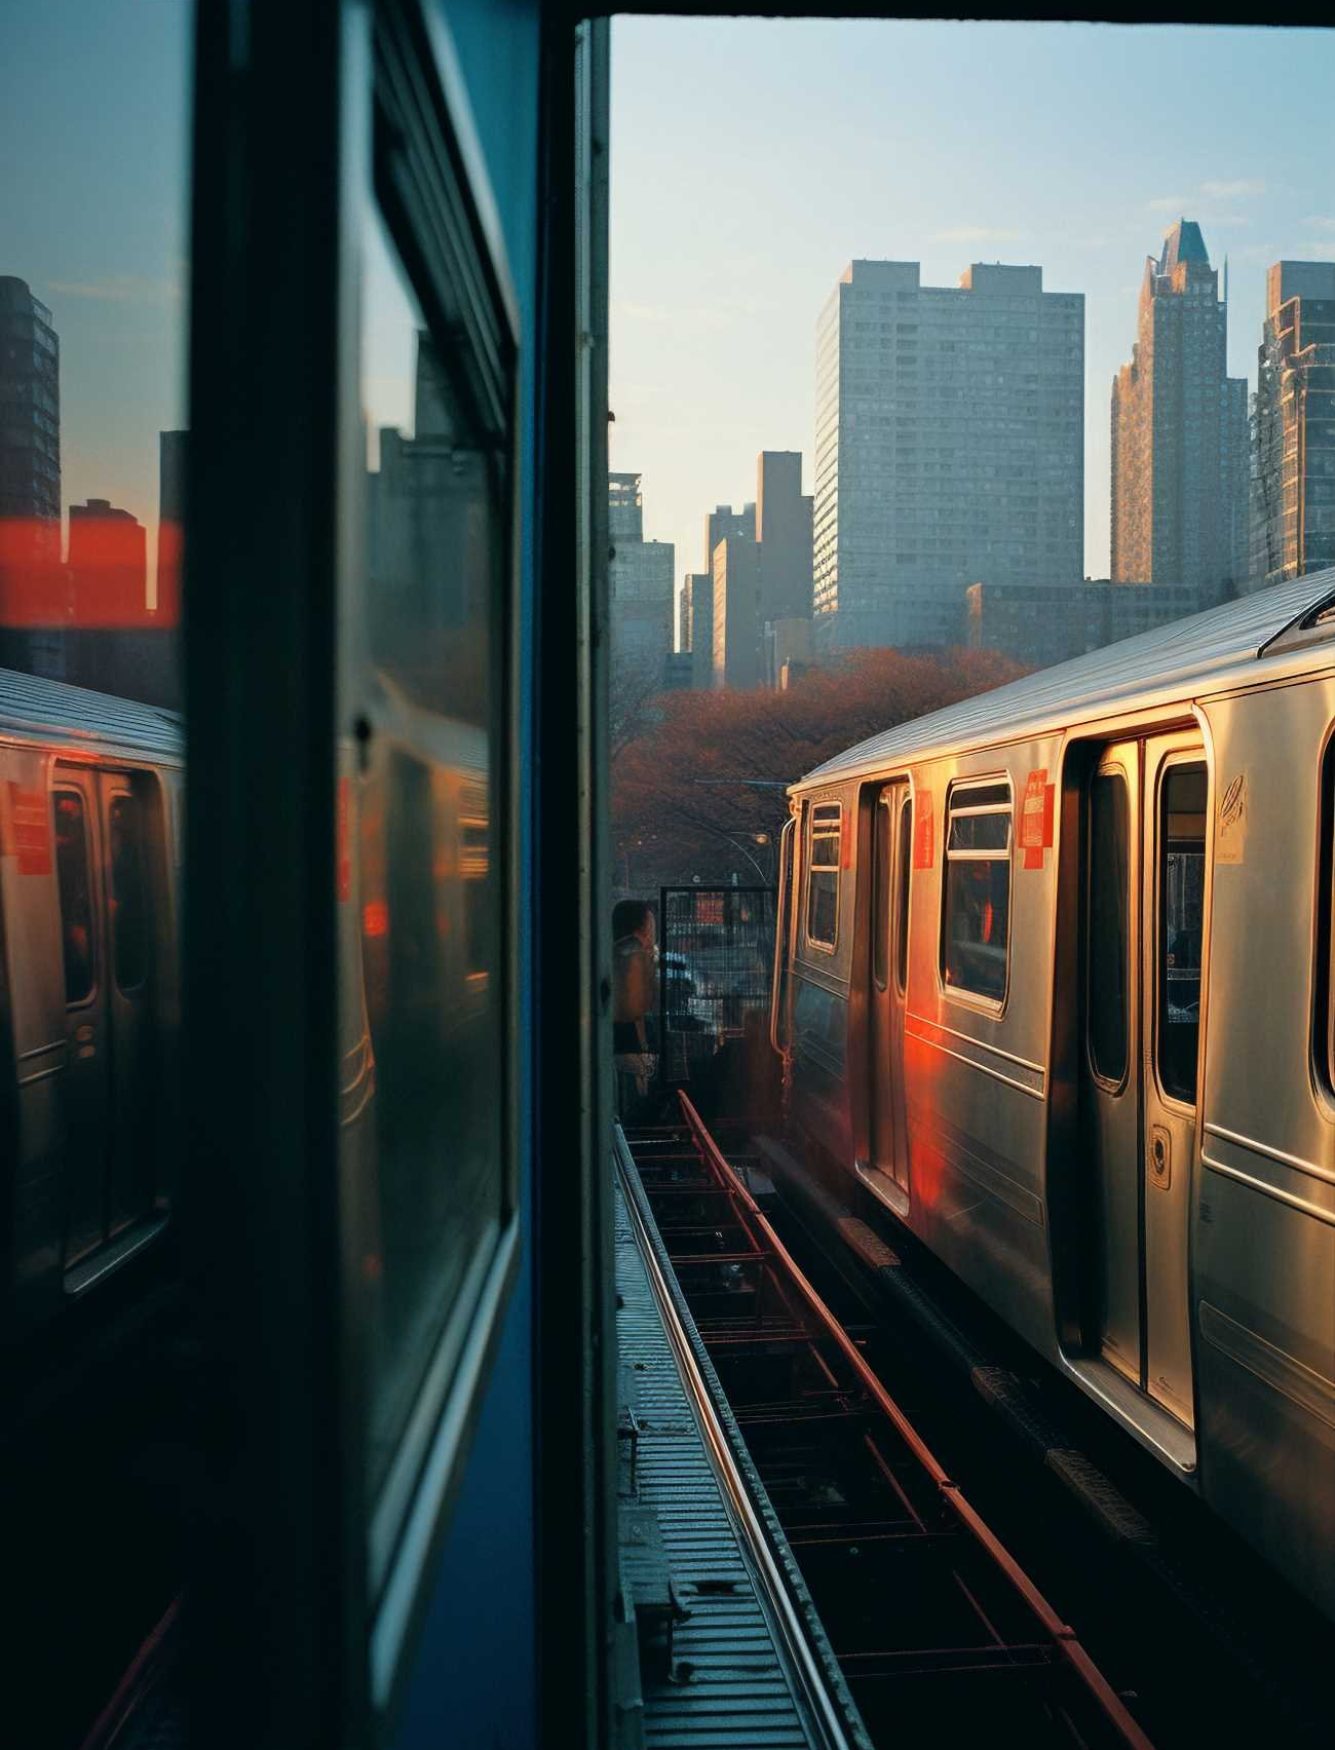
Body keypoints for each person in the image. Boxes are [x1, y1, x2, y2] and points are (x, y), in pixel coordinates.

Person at [612, 898, 657, 1121]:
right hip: (630, 1050)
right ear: (643, 925)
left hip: (618, 1047)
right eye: (651, 921)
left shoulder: (615, 950)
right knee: (633, 1112)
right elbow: (636, 1008)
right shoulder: (634, 954)